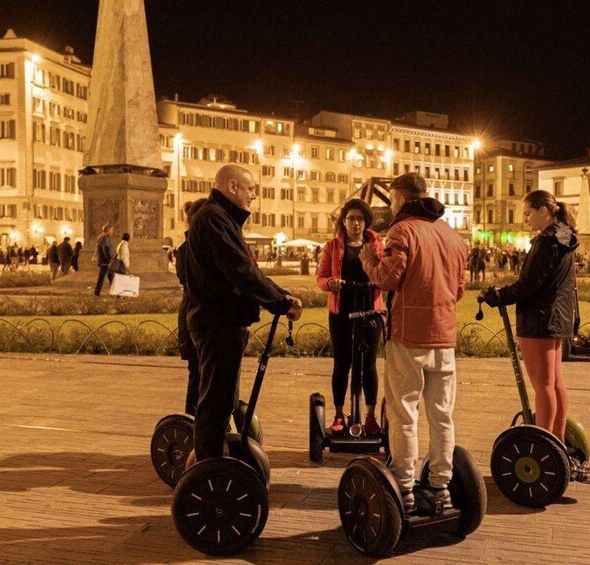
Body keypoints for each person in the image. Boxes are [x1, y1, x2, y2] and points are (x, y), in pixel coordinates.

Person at [358, 172, 467, 513]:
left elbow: (387, 279)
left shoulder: (402, 231)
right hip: (444, 336)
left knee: (404, 413)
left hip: (408, 335)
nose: (390, 207)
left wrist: (368, 258)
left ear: (402, 199)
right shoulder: (453, 236)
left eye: (392, 201)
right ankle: (440, 486)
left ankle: (403, 487)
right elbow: (459, 289)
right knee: (441, 415)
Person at [184, 164, 302, 461]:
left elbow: (248, 269)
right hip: (217, 323)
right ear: (233, 186)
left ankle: (216, 465)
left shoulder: (221, 219)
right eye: (250, 189)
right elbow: (240, 270)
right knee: (215, 405)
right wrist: (280, 303)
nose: (253, 196)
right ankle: (210, 471)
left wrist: (281, 295)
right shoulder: (214, 219)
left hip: (222, 322)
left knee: (222, 402)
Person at [479, 190, 578, 447]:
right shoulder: (565, 236)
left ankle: (543, 443)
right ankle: (557, 439)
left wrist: (497, 296)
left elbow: (528, 285)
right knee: (554, 383)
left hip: (539, 319)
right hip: (558, 318)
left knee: (543, 385)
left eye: (527, 213)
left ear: (543, 210)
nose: (525, 219)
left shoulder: (546, 242)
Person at [316, 198, 385, 436]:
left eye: (360, 218)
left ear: (366, 222)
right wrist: (331, 283)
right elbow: (321, 278)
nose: (355, 223)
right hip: (341, 309)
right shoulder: (332, 247)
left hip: (370, 309)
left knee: (369, 365)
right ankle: (338, 414)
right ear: (343, 221)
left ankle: (370, 416)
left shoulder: (376, 245)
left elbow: (385, 271)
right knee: (342, 363)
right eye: (351, 218)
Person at [176, 199, 208, 415]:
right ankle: (193, 425)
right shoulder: (192, 250)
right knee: (198, 375)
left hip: (191, 314)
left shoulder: (185, 249)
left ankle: (194, 423)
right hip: (197, 317)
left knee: (198, 375)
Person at [93, 225, 116, 296]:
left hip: (105, 261)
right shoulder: (105, 238)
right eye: (111, 230)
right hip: (105, 262)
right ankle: (96, 293)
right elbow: (105, 248)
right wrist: (109, 258)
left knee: (111, 277)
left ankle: (116, 293)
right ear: (108, 230)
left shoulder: (102, 237)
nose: (112, 232)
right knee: (102, 278)